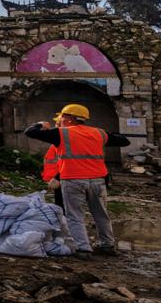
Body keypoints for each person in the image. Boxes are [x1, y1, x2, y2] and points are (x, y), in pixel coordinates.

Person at [24, 104, 122, 256]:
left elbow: (30, 132)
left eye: (62, 117)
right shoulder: (99, 133)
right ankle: (108, 245)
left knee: (75, 216)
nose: (60, 120)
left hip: (73, 180)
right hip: (98, 180)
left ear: (69, 119)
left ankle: (83, 248)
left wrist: (40, 124)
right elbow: (124, 141)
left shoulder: (61, 133)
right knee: (101, 215)